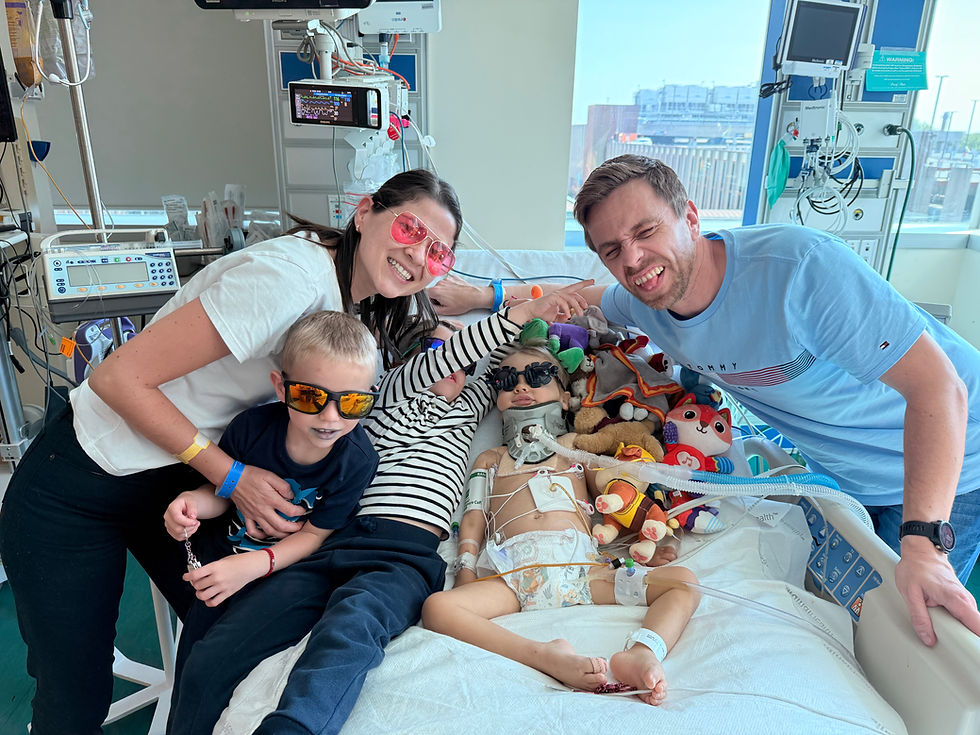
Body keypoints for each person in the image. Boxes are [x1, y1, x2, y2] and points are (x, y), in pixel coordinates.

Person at [427, 154, 980, 648]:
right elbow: (575, 297)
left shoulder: (799, 271)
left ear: (690, 216)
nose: (635, 259)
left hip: (954, 466)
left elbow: (939, 389)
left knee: (916, 641)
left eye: (647, 231)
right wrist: (483, 295)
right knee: (858, 638)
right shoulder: (646, 303)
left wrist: (925, 544)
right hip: (851, 477)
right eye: (613, 250)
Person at [0, 168, 463, 734]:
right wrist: (233, 477)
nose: (418, 256)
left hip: (168, 479)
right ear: (365, 212)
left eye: (438, 252)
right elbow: (118, 379)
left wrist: (503, 302)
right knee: (73, 697)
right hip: (79, 481)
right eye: (411, 229)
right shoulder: (287, 281)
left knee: (228, 618)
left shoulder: (352, 299)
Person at [166, 285, 590, 734]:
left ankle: (293, 727)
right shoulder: (380, 397)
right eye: (435, 347)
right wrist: (481, 325)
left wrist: (503, 300)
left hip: (404, 555)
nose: (452, 363)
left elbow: (503, 363)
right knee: (218, 651)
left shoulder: (471, 405)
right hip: (336, 542)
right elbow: (438, 362)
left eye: (463, 361)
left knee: (349, 628)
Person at [421, 344, 700, 704]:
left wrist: (649, 536)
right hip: (513, 577)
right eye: (507, 381)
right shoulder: (490, 457)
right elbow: (473, 515)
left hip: (584, 574)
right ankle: (545, 656)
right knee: (438, 608)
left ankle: (643, 651)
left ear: (565, 399)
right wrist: (467, 568)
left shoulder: (574, 448)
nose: (521, 387)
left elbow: (615, 494)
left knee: (685, 583)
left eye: (537, 376)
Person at [163, 311, 378, 639]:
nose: (330, 417)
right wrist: (191, 503)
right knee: (197, 649)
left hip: (287, 577)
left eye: (352, 402)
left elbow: (314, 536)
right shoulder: (251, 429)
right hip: (222, 561)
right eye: (310, 397)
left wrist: (253, 567)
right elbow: (221, 493)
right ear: (281, 387)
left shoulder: (357, 462)